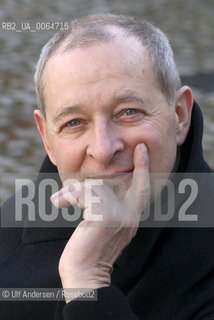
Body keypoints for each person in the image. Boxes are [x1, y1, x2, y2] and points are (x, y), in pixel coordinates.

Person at [1, 14, 214, 320]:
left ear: (179, 115)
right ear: (47, 139)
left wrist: (89, 284)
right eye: (74, 122)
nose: (103, 149)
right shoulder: (7, 241)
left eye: (129, 112)